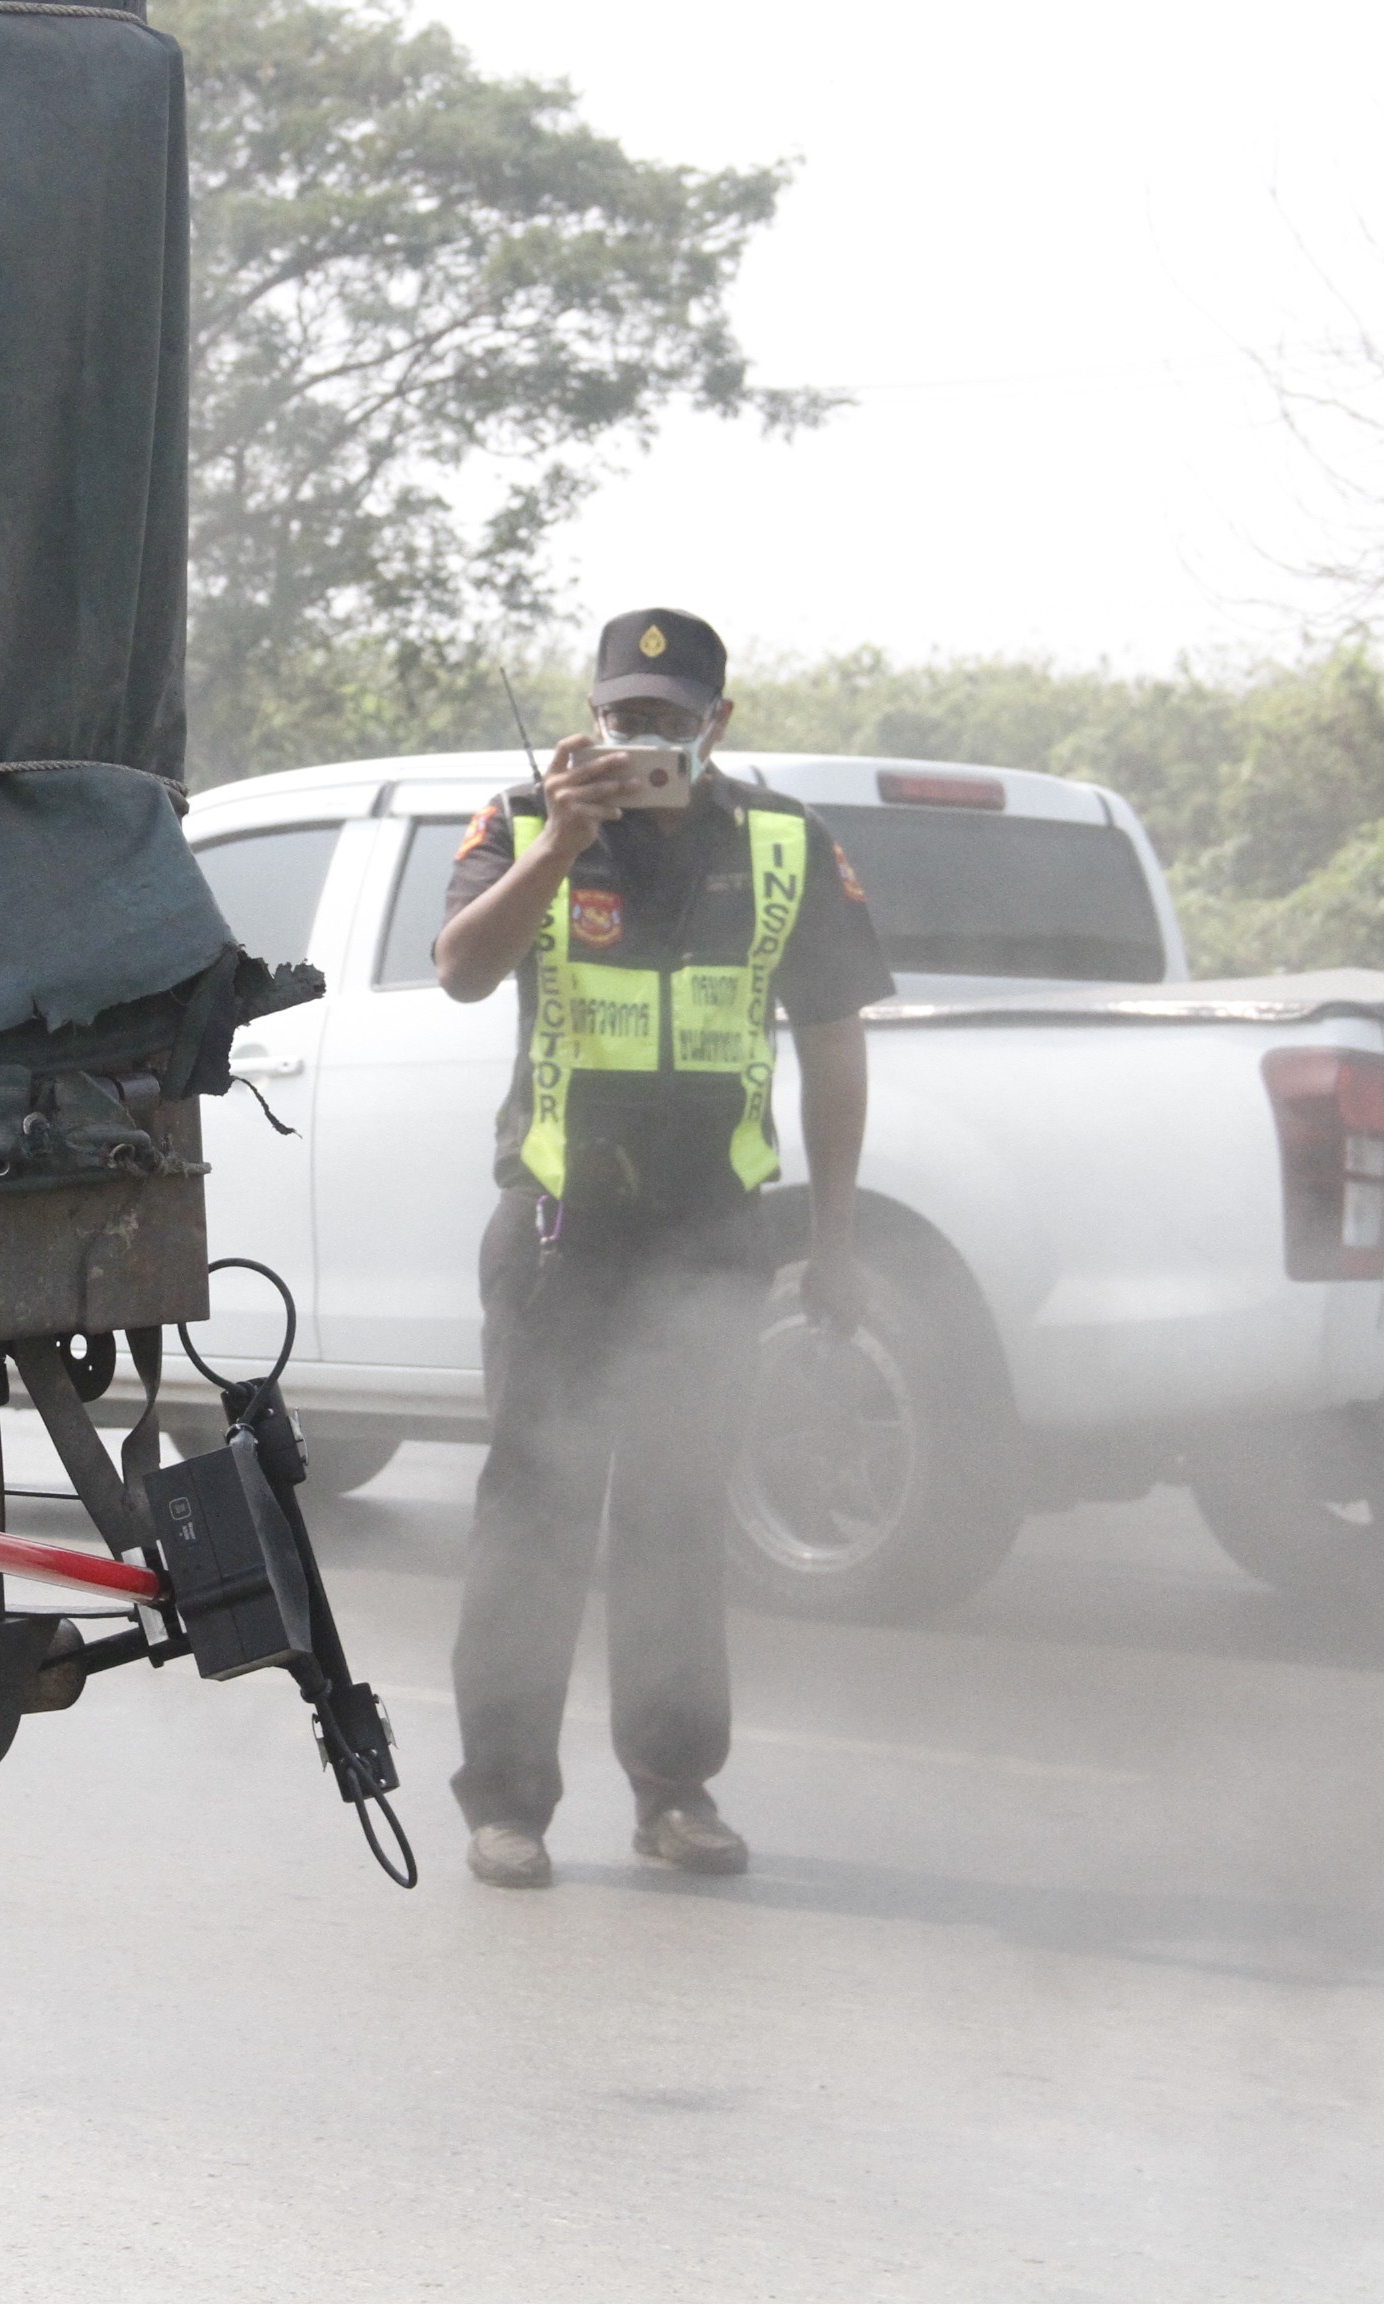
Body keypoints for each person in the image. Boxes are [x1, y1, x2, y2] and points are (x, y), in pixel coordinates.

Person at [431, 606, 891, 1889]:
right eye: (621, 715)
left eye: (668, 721)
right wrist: (564, 841)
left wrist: (836, 1241)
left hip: (711, 1241)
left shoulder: (790, 844)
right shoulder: (522, 819)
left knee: (680, 1520)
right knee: (535, 1517)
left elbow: (837, 1045)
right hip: (561, 1236)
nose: (640, 739)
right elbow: (463, 970)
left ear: (718, 725)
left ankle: (676, 1792)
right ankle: (506, 1805)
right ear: (590, 711)